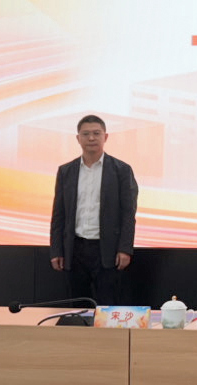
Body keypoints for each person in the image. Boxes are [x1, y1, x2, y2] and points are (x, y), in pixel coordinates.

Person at [50, 114, 139, 305]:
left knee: (107, 305)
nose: (91, 138)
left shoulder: (121, 170)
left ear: (105, 137)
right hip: (75, 249)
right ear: (78, 138)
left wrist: (125, 249)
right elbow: (59, 215)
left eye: (96, 133)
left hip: (107, 250)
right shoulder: (66, 171)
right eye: (86, 134)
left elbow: (128, 214)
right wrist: (56, 250)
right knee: (78, 306)